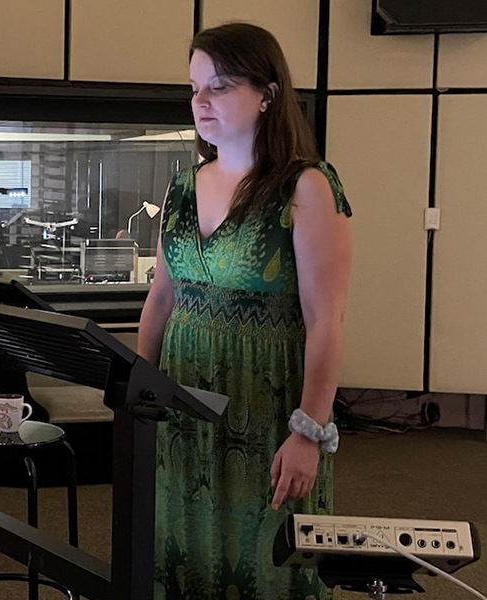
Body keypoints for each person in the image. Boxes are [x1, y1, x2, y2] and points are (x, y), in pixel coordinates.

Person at [137, 23, 352, 599]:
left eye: (220, 86)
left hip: (267, 407)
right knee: (182, 544)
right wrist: (137, 385)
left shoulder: (306, 186)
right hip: (183, 404)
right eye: (194, 88)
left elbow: (326, 319)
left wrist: (309, 431)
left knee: (265, 559)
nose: (200, 102)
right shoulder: (183, 187)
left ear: (268, 94)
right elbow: (162, 296)